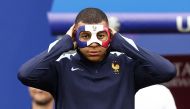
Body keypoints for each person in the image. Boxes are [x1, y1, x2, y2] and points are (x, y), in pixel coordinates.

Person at [18, 7, 176, 109]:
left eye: (101, 36)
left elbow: (167, 71)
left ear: (110, 35)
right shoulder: (62, 67)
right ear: (75, 36)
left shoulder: (126, 66)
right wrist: (65, 42)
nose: (93, 43)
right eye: (85, 36)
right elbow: (26, 74)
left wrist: (121, 42)